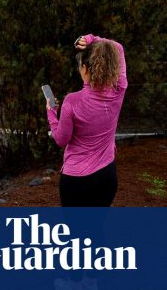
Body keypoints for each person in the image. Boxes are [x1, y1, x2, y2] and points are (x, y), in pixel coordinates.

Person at [46, 34, 127, 207]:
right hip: (107, 175)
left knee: (77, 232)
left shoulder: (72, 101)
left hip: (76, 181)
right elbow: (117, 47)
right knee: (96, 229)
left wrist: (52, 113)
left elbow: (61, 139)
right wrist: (90, 39)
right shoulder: (118, 91)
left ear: (84, 68)